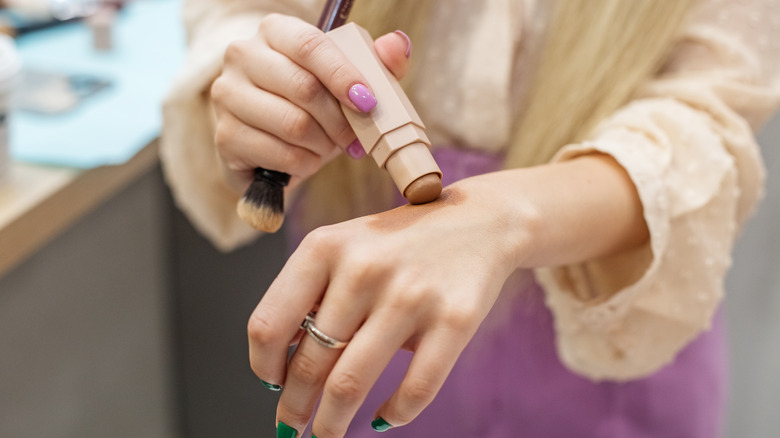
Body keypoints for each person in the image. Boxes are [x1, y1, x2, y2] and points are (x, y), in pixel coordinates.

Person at [161, 0, 780, 436]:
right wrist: (263, 93)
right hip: (371, 334)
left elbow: (706, 116)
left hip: (605, 336)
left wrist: (500, 219)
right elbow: (238, 17)